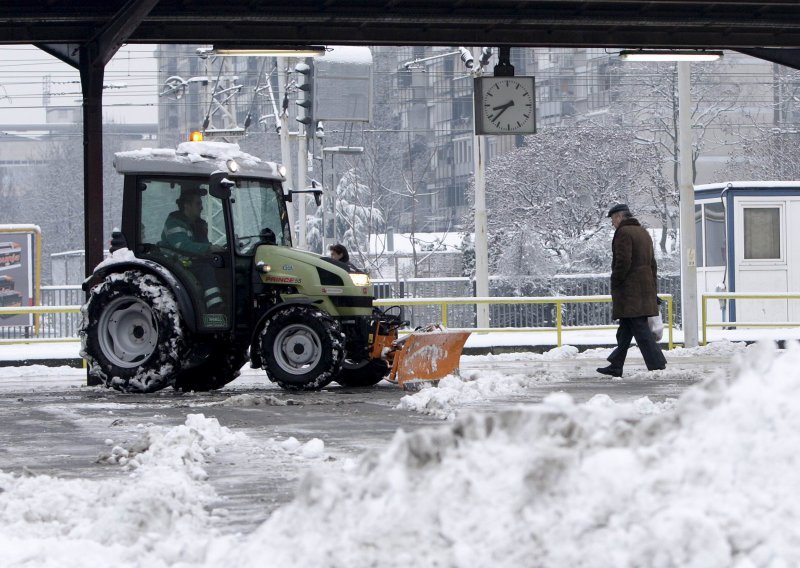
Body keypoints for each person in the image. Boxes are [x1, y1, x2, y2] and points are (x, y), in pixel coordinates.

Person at [597, 203, 667, 377]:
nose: (613, 223)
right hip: (644, 289)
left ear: (620, 217)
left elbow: (623, 261)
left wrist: (616, 281)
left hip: (630, 292)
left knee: (640, 330)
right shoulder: (643, 232)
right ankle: (615, 365)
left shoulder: (623, 233)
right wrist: (652, 288)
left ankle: (657, 364)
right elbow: (653, 264)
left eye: (613, 219)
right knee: (625, 330)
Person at [161, 187, 225, 312]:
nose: (201, 207)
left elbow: (201, 246)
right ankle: (215, 307)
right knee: (206, 269)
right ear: (187, 205)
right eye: (198, 203)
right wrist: (209, 248)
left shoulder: (198, 224)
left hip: (192, 261)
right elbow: (182, 245)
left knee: (222, 265)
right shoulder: (174, 223)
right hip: (176, 263)